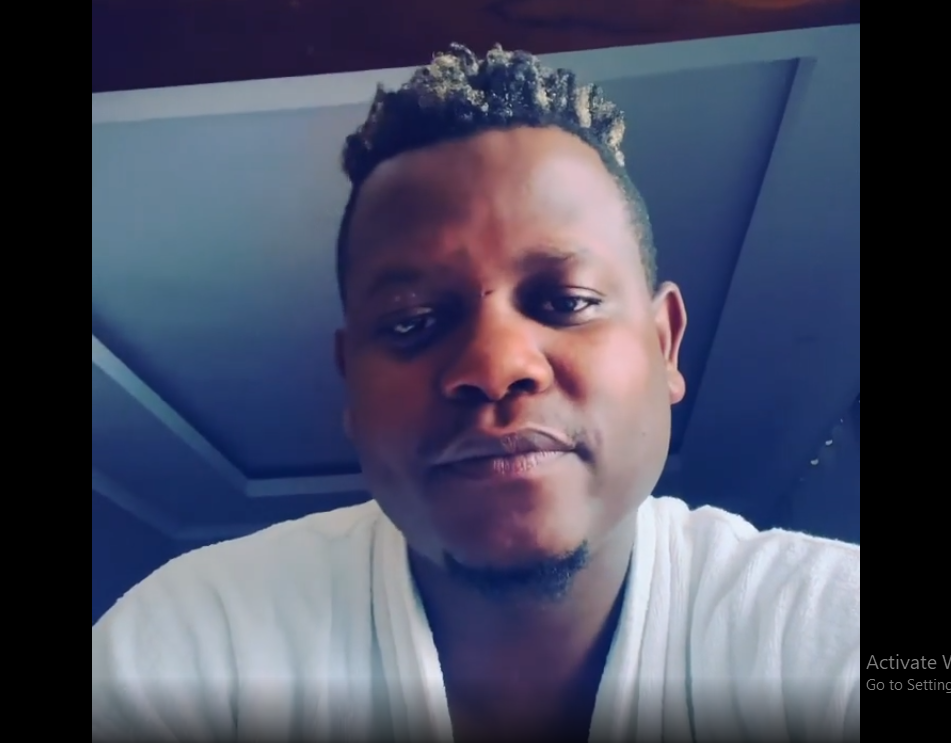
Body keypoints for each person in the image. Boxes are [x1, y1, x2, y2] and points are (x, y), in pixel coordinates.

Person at [92, 44, 860, 742]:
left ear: (663, 344)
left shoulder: (827, 625)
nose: (495, 367)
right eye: (411, 320)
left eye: (566, 301)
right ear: (350, 382)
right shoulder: (195, 641)